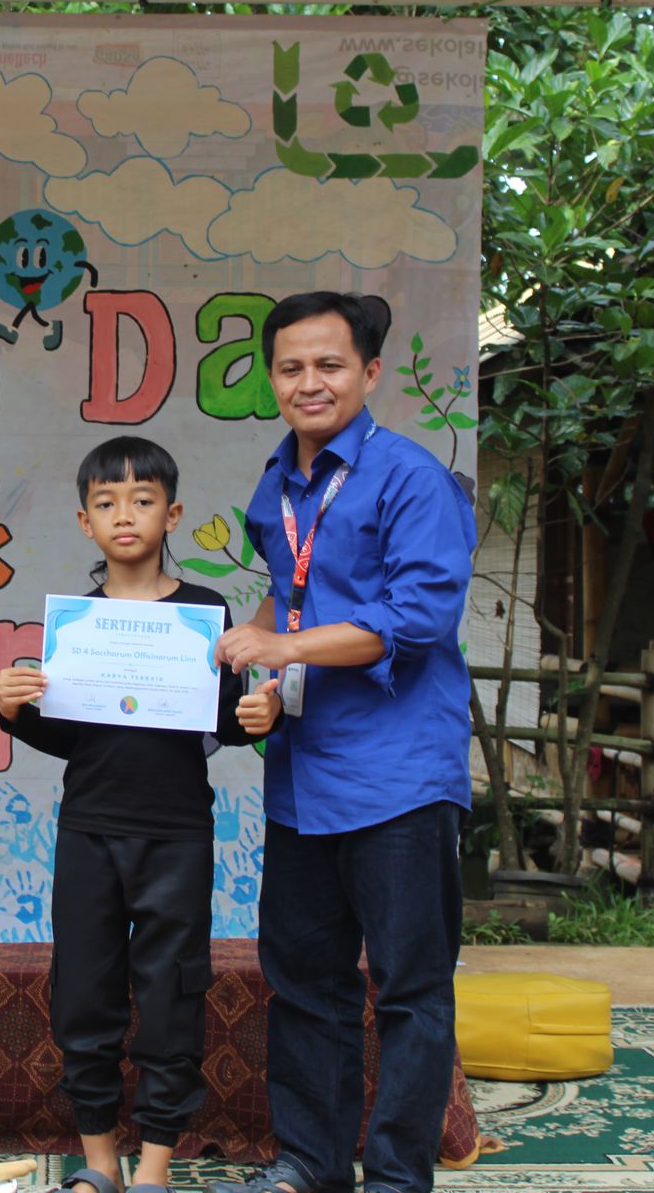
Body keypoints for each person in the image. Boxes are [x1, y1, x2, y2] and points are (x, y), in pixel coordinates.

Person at [209, 293, 476, 1193]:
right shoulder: (275, 483)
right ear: (271, 379)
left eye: (329, 365)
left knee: (409, 989)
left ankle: (397, 1178)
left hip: (400, 776)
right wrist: (256, 667)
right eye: (291, 367)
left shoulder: (411, 479)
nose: (309, 383)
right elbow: (285, 600)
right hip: (303, 775)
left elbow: (418, 619)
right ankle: (310, 1165)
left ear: (370, 372)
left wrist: (285, 648)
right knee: (304, 982)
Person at [0, 436, 283, 1193]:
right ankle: (101, 1166)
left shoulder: (204, 613)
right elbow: (71, 737)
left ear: (172, 514)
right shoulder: (76, 624)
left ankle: (153, 1168)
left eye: (143, 499)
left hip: (177, 834)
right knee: (82, 995)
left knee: (171, 996)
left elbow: (224, 724)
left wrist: (260, 715)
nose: (125, 515)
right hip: (88, 830)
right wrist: (14, 712)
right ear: (85, 522)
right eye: (107, 502)